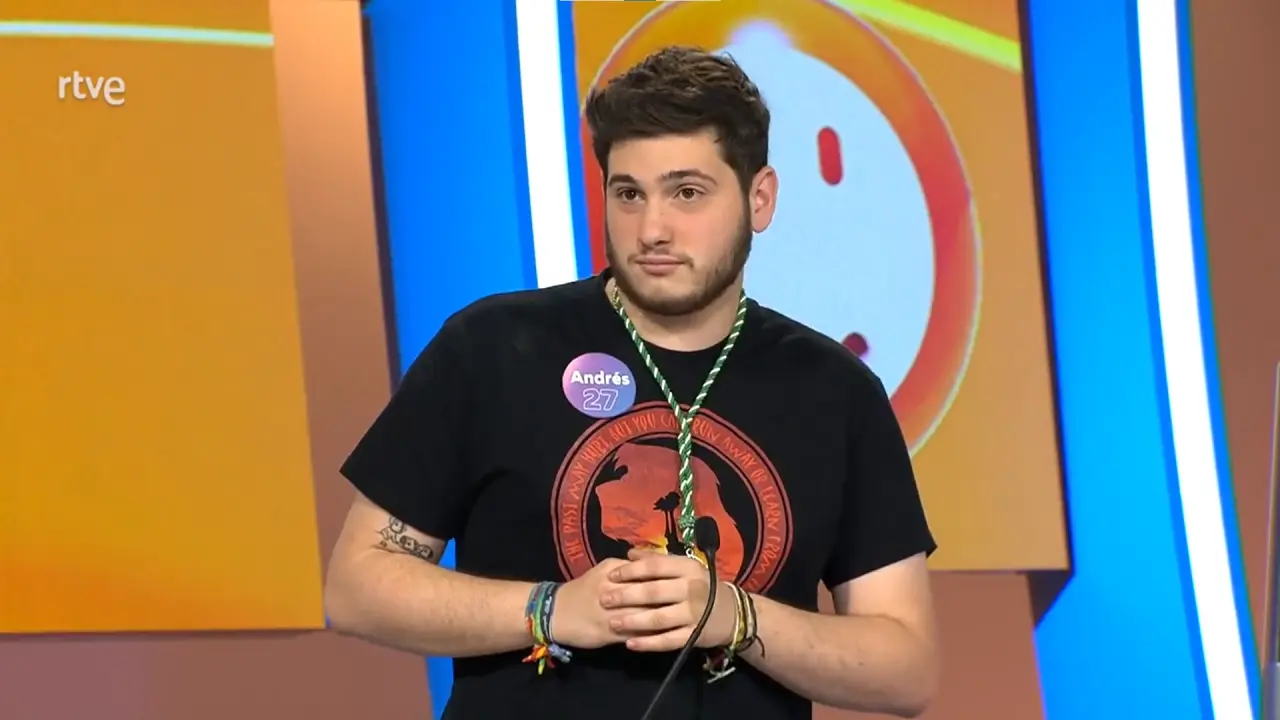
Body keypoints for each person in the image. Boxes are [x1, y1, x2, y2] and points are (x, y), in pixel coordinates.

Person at [325, 45, 939, 720]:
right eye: (628, 194)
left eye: (687, 193)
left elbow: (905, 670)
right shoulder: (491, 349)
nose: (652, 229)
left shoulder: (836, 393)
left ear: (759, 198)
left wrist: (736, 618)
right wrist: (550, 609)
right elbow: (357, 586)